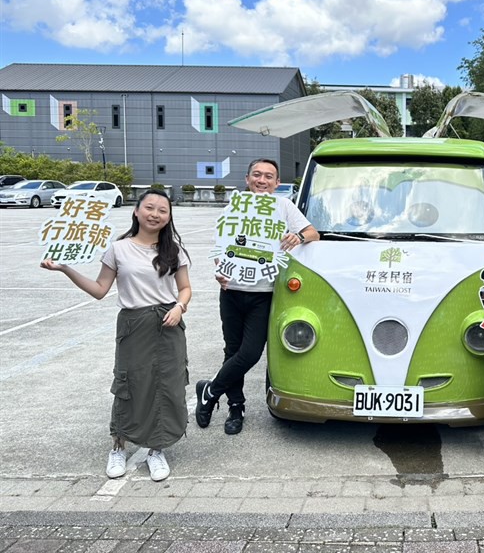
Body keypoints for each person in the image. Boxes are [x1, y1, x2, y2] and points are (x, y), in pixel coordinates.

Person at [41, 189, 192, 482]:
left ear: (169, 216)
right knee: (129, 385)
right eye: (149, 207)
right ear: (136, 211)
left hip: (168, 323)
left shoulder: (174, 249)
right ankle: (118, 446)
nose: (155, 214)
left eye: (163, 210)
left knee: (167, 385)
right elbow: (100, 290)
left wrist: (179, 307)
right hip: (134, 325)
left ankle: (156, 449)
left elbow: (185, 288)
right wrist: (65, 269)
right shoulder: (118, 248)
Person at [195, 159, 319, 435]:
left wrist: (297, 236)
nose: (262, 180)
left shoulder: (283, 207)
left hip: (263, 294)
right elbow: (220, 246)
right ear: (247, 179)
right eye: (257, 175)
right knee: (232, 350)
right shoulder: (235, 207)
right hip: (231, 291)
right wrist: (220, 271)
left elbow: (314, 233)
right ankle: (236, 408)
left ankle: (210, 391)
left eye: (269, 176)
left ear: (277, 183)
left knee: (250, 353)